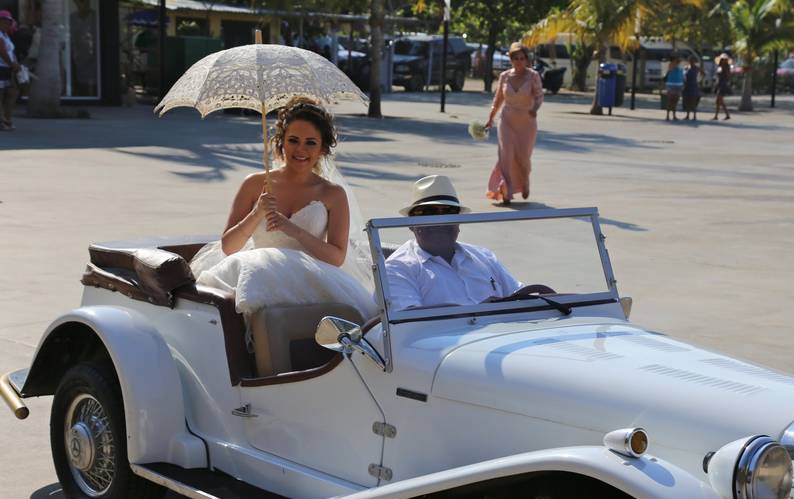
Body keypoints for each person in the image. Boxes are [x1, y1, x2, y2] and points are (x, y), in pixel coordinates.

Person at [190, 98, 375, 318]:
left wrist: (293, 229)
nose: (300, 150)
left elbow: (336, 257)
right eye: (293, 140)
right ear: (281, 142)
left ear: (323, 148)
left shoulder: (332, 194)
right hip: (258, 273)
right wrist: (257, 212)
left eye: (310, 142)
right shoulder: (255, 184)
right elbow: (229, 247)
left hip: (311, 279)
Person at [386, 175, 521, 310]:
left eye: (448, 212)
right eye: (428, 213)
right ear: (411, 223)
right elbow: (410, 323)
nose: (439, 221)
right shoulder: (397, 268)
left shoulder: (485, 257)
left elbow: (521, 296)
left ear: (458, 221)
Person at [485, 42, 543, 204]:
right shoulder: (505, 76)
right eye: (516, 58)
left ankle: (525, 182)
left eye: (522, 58)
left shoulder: (533, 76)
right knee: (506, 154)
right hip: (507, 120)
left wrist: (535, 108)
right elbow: (497, 101)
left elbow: (539, 96)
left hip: (527, 121)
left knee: (523, 157)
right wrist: (490, 118)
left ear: (526, 60)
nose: (519, 61)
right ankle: (507, 189)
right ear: (511, 60)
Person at [0, 10, 19, 132]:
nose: (7, 24)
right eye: (4, 21)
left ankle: (6, 119)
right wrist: (12, 64)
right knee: (1, 96)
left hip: (8, 69)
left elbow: (11, 52)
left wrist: (16, 63)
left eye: (9, 22)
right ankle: (2, 122)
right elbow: (2, 52)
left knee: (12, 93)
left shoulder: (6, 35)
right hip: (1, 68)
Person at [663, 56, 684, 121]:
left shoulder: (680, 66)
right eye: (676, 59)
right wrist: (676, 62)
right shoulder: (671, 65)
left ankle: (674, 115)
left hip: (678, 85)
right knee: (670, 100)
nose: (679, 60)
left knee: (675, 101)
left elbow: (682, 75)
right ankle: (667, 115)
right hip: (671, 85)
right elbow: (671, 69)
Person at [713, 53, 732, 121]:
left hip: (723, 84)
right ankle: (717, 115)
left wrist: (725, 70)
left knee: (720, 100)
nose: (723, 60)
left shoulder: (727, 67)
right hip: (719, 84)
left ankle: (726, 114)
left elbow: (728, 76)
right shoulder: (719, 67)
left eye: (724, 59)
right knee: (718, 101)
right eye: (722, 59)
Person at [682, 56, 701, 121]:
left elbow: (703, 73)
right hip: (687, 85)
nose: (691, 62)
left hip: (693, 85)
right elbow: (683, 75)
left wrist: (699, 80)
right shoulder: (686, 67)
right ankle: (687, 115)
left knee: (693, 101)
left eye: (692, 61)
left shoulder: (696, 68)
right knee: (687, 101)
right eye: (690, 61)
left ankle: (694, 116)